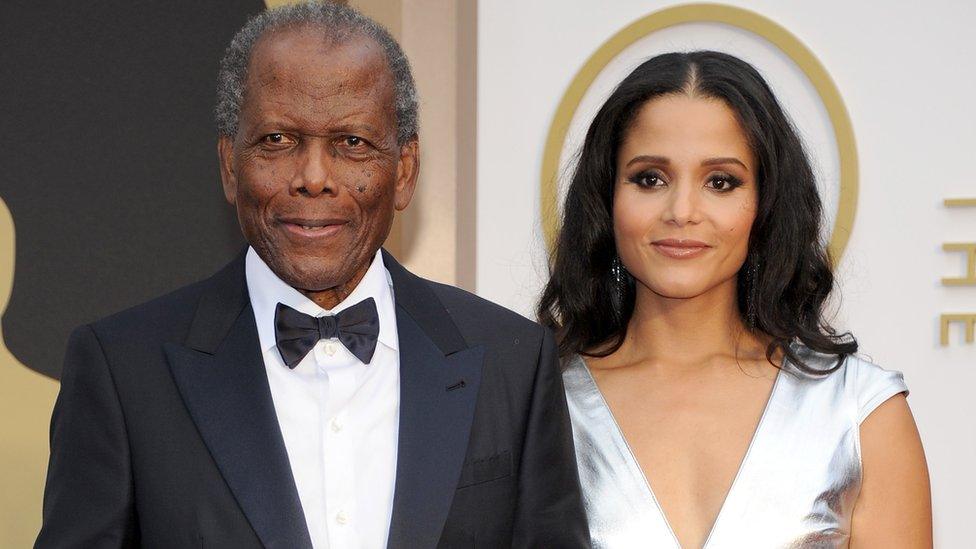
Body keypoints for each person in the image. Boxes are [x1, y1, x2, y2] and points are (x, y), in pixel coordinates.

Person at [36, 3, 588, 548]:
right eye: (278, 140)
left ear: (404, 171)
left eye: (352, 143)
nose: (314, 178)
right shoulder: (123, 371)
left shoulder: (510, 363)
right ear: (231, 166)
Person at [538, 51, 931, 548]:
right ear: (606, 198)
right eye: (650, 178)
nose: (682, 211)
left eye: (720, 182)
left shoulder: (860, 414)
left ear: (764, 205)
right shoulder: (537, 405)